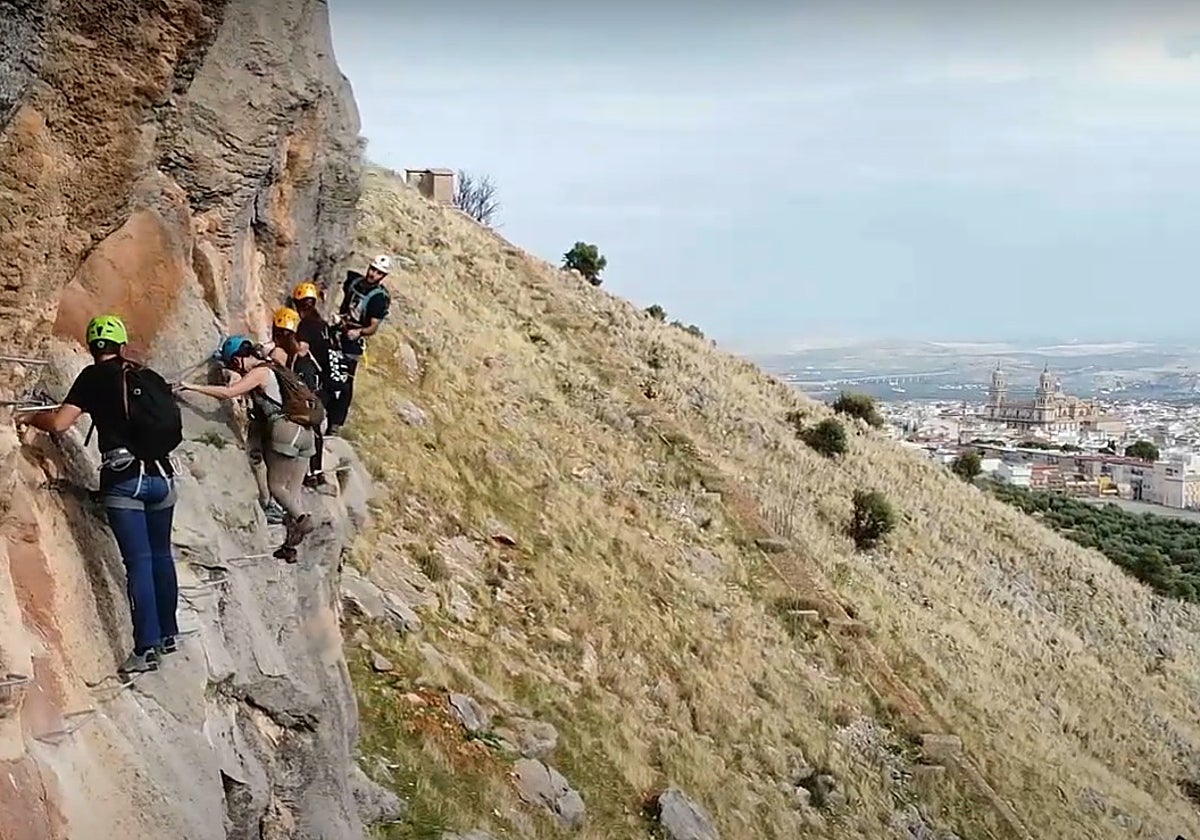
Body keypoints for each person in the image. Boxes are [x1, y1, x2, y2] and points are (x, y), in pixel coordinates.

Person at [16, 315, 184, 676]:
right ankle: (169, 634)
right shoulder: (145, 375)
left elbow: (61, 423)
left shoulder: (93, 377)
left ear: (93, 348)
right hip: (162, 477)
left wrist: (30, 418)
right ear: (122, 346)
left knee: (138, 562)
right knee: (160, 557)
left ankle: (146, 648)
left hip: (124, 480)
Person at [177, 336, 320, 559]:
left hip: (286, 431)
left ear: (237, 360)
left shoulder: (259, 373)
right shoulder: (277, 367)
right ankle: (290, 546)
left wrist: (190, 386)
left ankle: (304, 520)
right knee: (292, 496)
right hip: (308, 433)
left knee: (277, 487)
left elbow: (228, 393)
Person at [326, 254, 392, 435]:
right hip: (339, 328)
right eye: (372, 269)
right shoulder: (354, 281)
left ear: (383, 277)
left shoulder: (378, 299)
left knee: (345, 380)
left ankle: (335, 424)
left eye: (378, 273)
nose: (373, 274)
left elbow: (372, 327)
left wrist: (359, 332)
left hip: (354, 338)